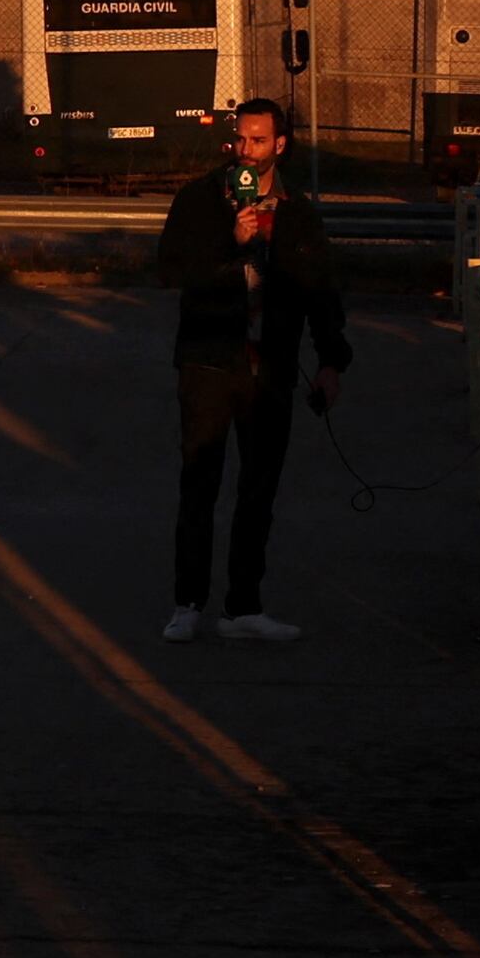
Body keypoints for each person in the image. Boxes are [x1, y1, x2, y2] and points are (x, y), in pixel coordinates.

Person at [159, 98, 346, 645]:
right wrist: (233, 249)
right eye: (240, 139)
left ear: (279, 146)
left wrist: (331, 361)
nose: (245, 150)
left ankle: (243, 606)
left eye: (258, 141)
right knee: (200, 484)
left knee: (258, 490)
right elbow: (172, 268)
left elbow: (319, 290)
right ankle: (187, 602)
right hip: (209, 361)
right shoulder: (200, 199)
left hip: (271, 368)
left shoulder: (297, 212)